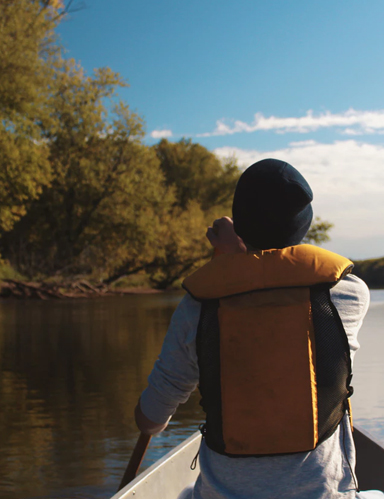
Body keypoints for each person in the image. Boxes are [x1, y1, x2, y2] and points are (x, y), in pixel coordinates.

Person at [135, 158, 371, 499]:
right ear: (304, 223)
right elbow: (273, 284)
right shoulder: (349, 295)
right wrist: (240, 259)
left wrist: (231, 261)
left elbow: (150, 420)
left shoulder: (198, 307)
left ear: (240, 225)